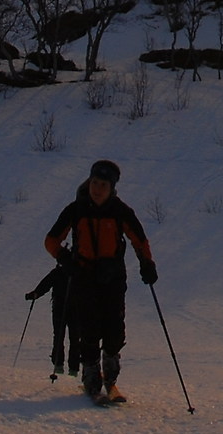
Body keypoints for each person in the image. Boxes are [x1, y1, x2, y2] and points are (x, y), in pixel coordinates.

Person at [42, 159, 157, 404]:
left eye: (103, 184)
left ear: (111, 187)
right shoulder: (76, 209)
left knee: (115, 331)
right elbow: (51, 240)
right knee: (90, 330)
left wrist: (147, 264)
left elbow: (139, 240)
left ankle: (111, 380)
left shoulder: (120, 211)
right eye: (94, 183)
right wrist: (65, 259)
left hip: (113, 278)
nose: (97, 188)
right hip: (84, 277)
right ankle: (92, 380)